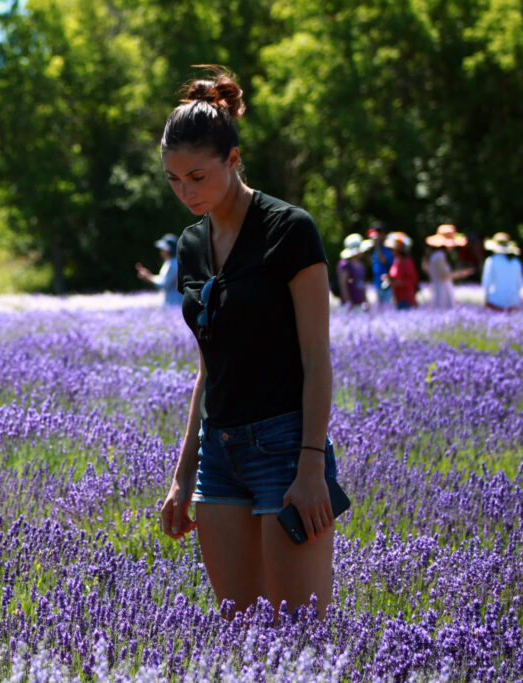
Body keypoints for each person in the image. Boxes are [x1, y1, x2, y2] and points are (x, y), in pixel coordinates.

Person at [157, 67, 338, 619]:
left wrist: (310, 469)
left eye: (198, 177)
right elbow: (209, 369)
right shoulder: (191, 245)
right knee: (241, 637)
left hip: (285, 448)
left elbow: (316, 357)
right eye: (173, 180)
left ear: (233, 162)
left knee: (298, 635)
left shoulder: (289, 230)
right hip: (220, 452)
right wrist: (182, 476)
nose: (186, 193)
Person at [425, 224, 473, 309]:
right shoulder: (438, 256)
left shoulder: (439, 255)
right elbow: (444, 275)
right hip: (441, 292)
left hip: (442, 290)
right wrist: (461, 273)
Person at [136, 233, 183, 306]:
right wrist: (149, 275)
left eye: (163, 249)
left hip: (174, 302)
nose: (161, 251)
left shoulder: (173, 264)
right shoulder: (170, 262)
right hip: (174, 301)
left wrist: (148, 277)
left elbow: (164, 284)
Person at [481, 232, 523, 312]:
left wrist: (485, 298)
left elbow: (486, 282)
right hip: (513, 303)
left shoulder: (491, 261)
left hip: (495, 302)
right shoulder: (516, 262)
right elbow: (520, 284)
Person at [336, 233, 370, 311]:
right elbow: (342, 284)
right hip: (350, 304)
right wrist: (348, 301)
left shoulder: (361, 265)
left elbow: (363, 284)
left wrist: (366, 300)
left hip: (359, 303)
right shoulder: (344, 264)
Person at [386, 232, 419, 310]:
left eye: (392, 249)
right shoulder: (396, 261)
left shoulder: (407, 261)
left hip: (406, 298)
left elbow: (411, 280)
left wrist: (395, 283)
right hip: (397, 297)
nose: (391, 251)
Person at [366, 223, 394, 308]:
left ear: (383, 234)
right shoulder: (375, 249)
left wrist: (376, 245)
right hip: (377, 283)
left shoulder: (388, 247)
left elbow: (384, 261)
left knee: (387, 308)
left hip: (387, 284)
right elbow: (373, 264)